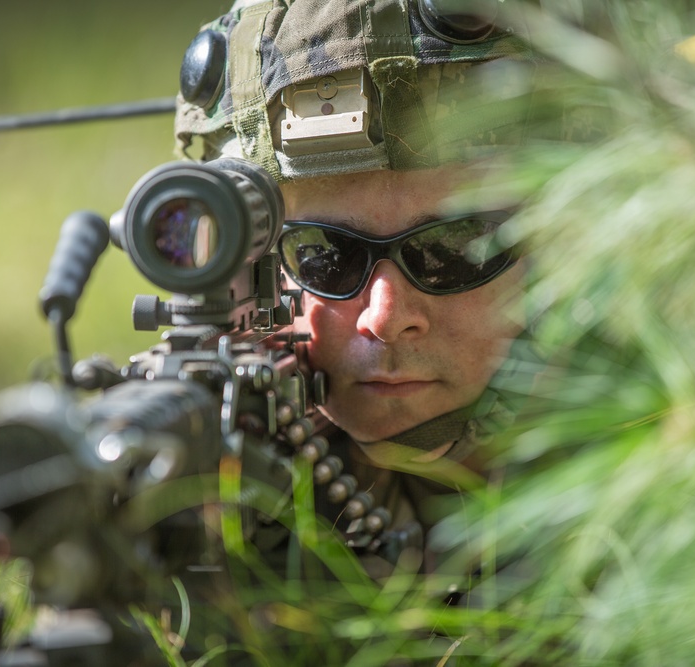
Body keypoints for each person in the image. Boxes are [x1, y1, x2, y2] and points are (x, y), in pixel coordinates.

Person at [175, 0, 544, 565]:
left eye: (455, 248)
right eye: (323, 254)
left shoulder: (685, 444)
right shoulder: (205, 463)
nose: (386, 316)